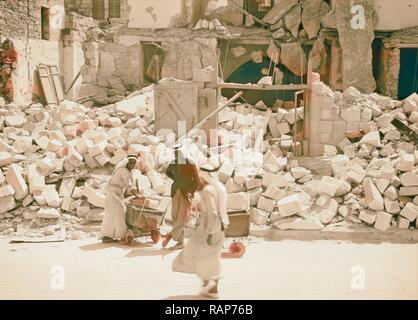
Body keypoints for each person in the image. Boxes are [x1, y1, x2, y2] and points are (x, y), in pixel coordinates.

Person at [172, 163, 229, 299]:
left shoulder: (208, 190)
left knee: (193, 254)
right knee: (210, 259)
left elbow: (213, 213)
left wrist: (210, 232)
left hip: (208, 228)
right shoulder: (218, 188)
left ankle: (209, 286)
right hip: (218, 228)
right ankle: (210, 288)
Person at [162, 146, 200, 250]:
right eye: (176, 154)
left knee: (182, 218)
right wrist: (176, 179)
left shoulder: (190, 163)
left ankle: (176, 239)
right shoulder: (174, 162)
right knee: (175, 216)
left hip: (185, 193)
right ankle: (180, 240)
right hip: (175, 192)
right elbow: (168, 172)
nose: (177, 155)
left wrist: (190, 191)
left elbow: (197, 181)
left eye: (179, 153)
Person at [100, 155, 138, 245]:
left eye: (134, 164)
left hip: (114, 193)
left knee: (112, 215)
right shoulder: (124, 170)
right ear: (127, 163)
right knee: (118, 214)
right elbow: (129, 185)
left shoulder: (123, 170)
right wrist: (137, 195)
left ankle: (109, 236)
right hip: (114, 193)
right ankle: (118, 235)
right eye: (131, 163)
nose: (132, 165)